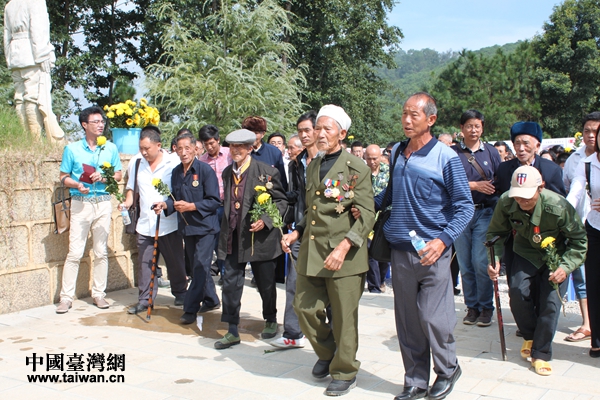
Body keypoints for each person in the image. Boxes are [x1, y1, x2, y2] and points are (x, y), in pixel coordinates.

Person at [375, 92, 473, 400]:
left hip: (433, 252)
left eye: (413, 115)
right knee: (407, 321)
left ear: (431, 119)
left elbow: (465, 207)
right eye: (404, 114)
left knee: (434, 317)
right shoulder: (397, 152)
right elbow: (390, 194)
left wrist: (443, 241)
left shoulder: (446, 157)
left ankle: (447, 369)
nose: (406, 120)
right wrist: (361, 203)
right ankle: (415, 380)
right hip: (400, 250)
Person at [282, 104, 375, 397]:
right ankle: (329, 352)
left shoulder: (356, 168)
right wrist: (297, 231)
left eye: (327, 129)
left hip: (344, 255)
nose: (320, 134)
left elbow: (367, 214)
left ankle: (345, 371)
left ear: (342, 134)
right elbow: (312, 210)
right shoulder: (313, 165)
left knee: (344, 317)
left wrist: (344, 247)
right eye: (317, 128)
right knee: (304, 308)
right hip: (313, 251)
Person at [488, 166, 586, 375]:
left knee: (550, 303)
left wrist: (565, 267)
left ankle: (541, 353)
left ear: (541, 188)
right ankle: (531, 336)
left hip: (555, 256)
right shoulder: (507, 202)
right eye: (518, 196)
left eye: (526, 196)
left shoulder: (559, 206)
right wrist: (494, 259)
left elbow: (579, 242)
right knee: (517, 293)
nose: (521, 201)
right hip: (525, 253)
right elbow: (496, 234)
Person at [215, 129, 288, 349]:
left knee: (265, 283)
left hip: (259, 239)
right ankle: (232, 329)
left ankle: (271, 319)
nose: (236, 150)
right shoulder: (227, 173)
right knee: (230, 284)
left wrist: (265, 220)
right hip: (233, 237)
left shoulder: (266, 172)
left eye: (240, 147)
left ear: (249, 148)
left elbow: (281, 202)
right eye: (232, 146)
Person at [56, 106, 122, 313]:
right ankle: (66, 298)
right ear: (85, 125)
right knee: (75, 252)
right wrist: (77, 185)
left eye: (102, 121)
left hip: (103, 202)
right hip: (80, 202)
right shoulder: (72, 149)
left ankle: (99, 294)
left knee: (101, 251)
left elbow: (118, 175)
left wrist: (104, 177)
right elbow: (63, 177)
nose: (100, 125)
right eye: (95, 122)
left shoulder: (110, 148)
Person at [152, 133, 221, 324]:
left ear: (195, 149)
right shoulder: (176, 172)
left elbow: (214, 201)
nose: (183, 152)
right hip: (187, 227)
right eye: (179, 149)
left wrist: (192, 206)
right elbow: (174, 197)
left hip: (205, 227)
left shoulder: (205, 170)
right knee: (198, 266)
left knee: (200, 266)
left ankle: (190, 309)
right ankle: (212, 300)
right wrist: (165, 205)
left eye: (187, 148)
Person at [122, 126, 187, 314]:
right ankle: (145, 300)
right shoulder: (136, 162)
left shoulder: (173, 162)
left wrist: (166, 204)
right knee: (145, 264)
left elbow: (179, 190)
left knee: (175, 261)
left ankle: (180, 292)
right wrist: (126, 203)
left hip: (168, 222)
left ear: (158, 145)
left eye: (147, 148)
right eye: (141, 148)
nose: (144, 152)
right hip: (145, 223)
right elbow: (131, 189)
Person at [270, 111, 318, 349]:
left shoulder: (330, 160)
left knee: (326, 288)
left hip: (325, 232)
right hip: (300, 229)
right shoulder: (297, 164)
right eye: (300, 131)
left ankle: (331, 341)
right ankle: (293, 333)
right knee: (294, 283)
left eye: (307, 130)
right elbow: (299, 195)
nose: (304, 135)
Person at [451, 110, 501, 327]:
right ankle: (471, 307)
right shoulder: (452, 153)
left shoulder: (491, 152)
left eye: (477, 126)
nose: (473, 130)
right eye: (469, 126)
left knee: (481, 262)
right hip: (460, 213)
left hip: (485, 212)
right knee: (465, 263)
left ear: (482, 128)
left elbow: (499, 181)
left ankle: (486, 307)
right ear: (461, 128)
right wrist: (473, 185)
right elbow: (445, 182)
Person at [3, 0, 64, 142]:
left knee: (20, 99)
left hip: (15, 56)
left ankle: (27, 139)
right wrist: (43, 54)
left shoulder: (10, 5)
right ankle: (35, 140)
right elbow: (38, 29)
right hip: (32, 55)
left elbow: (6, 37)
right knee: (33, 97)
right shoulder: (35, 1)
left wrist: (9, 59)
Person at [562, 112, 598, 343]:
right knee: (586, 276)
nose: (592, 135)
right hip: (585, 226)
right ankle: (588, 325)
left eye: (597, 131)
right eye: (587, 131)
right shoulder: (577, 160)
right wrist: (563, 214)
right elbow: (572, 189)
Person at [198, 124, 232, 286]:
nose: (210, 147)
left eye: (212, 143)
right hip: (212, 207)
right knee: (217, 242)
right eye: (206, 144)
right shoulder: (202, 161)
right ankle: (223, 273)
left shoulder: (230, 154)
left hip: (229, 205)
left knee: (228, 240)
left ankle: (230, 273)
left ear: (218, 140)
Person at [364, 144, 390, 293]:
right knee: (370, 251)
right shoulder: (361, 172)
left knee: (383, 251)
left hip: (385, 217)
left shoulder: (389, 172)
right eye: (369, 158)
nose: (372, 162)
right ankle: (373, 285)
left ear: (380, 157)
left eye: (375, 158)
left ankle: (381, 280)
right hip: (368, 216)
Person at [242, 116, 288, 190]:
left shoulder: (274, 152)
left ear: (263, 134)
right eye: (249, 133)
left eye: (256, 133)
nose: (252, 136)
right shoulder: (240, 152)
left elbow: (281, 181)